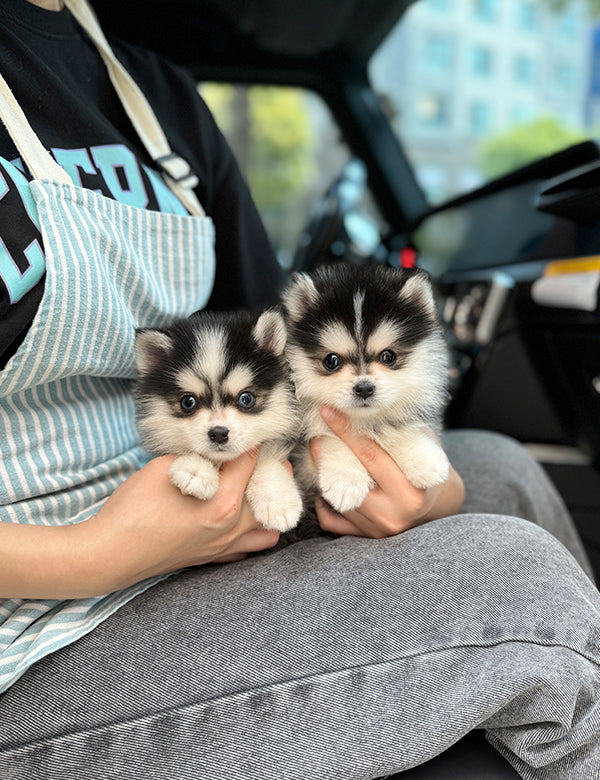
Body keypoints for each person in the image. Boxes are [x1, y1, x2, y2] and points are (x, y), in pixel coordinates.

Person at [0, 1, 598, 778]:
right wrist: (90, 555)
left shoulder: (158, 102)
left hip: (193, 521)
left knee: (502, 468)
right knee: (528, 596)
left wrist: (411, 486)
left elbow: (271, 347)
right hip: (32, 634)